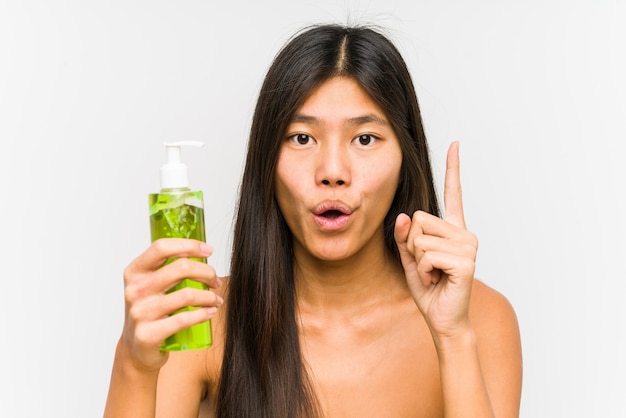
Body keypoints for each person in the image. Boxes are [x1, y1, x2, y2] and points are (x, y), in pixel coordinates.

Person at [104, 23, 522, 418]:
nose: (333, 170)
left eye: (365, 138)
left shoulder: (481, 318)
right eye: (302, 138)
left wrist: (452, 337)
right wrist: (135, 362)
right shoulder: (203, 319)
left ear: (404, 161)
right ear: (267, 159)